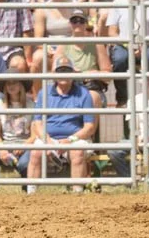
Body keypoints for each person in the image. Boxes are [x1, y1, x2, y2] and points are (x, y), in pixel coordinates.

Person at [28, 58, 97, 193]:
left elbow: (89, 127)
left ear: (72, 74)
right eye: (61, 71)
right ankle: (31, 193)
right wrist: (47, 141)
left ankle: (77, 193)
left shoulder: (84, 93)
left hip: (75, 139)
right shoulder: (44, 93)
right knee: (36, 152)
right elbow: (37, 123)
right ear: (55, 75)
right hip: (49, 138)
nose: (64, 74)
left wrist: (69, 140)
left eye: (67, 70)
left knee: (77, 152)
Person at [107, 75, 149, 179]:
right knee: (113, 151)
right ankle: (130, 181)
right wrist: (137, 138)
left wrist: (148, 137)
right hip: (139, 139)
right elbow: (133, 127)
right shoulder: (134, 100)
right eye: (147, 79)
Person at [0, 76, 34, 189]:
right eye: (8, 83)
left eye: (14, 82)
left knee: (24, 164)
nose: (11, 86)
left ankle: (28, 192)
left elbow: (34, 133)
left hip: (25, 144)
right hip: (4, 143)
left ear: (21, 85)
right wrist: (1, 148)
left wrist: (25, 146)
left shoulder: (31, 104)